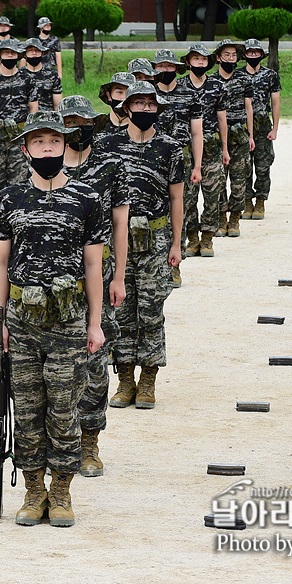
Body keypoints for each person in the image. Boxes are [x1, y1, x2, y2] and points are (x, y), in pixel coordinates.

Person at [0, 110, 106, 527]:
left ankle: (61, 492)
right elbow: (0, 263)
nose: (47, 149)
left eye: (54, 142)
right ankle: (34, 490)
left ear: (65, 145)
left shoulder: (87, 198)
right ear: (25, 149)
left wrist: (95, 322)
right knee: (26, 409)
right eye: (39, 142)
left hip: (68, 320)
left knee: (63, 407)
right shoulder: (9, 199)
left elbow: (94, 267)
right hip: (21, 321)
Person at [95, 83, 183, 412]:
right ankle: (125, 379)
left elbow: (177, 198)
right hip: (119, 240)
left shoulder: (170, 147)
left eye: (150, 104)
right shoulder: (107, 144)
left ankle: (148, 379)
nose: (144, 109)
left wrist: (176, 243)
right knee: (120, 311)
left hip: (156, 238)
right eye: (138, 103)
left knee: (151, 310)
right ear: (126, 106)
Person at [59, 95, 128, 476]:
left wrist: (118, 275)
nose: (78, 130)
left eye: (84, 123)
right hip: (56, 280)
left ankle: (89, 443)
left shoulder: (109, 167)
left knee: (95, 363)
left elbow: (120, 224)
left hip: (99, 278)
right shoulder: (45, 166)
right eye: (70, 123)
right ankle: (61, 441)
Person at [152, 49, 202, 287]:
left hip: (182, 159)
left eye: (169, 66)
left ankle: (175, 265)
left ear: (176, 68)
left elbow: (196, 132)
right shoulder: (147, 96)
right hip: (153, 160)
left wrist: (198, 165)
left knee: (178, 212)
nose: (165, 71)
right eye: (160, 67)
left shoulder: (189, 95)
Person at [179, 44, 228, 258]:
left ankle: (207, 238)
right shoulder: (180, 87)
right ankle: (193, 238)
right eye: (196, 58)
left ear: (209, 62)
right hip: (187, 149)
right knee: (188, 196)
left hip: (212, 147)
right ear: (188, 62)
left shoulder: (217, 86)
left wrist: (225, 148)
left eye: (204, 59)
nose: (200, 62)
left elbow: (222, 119)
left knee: (212, 194)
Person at [0, 39, 39, 195]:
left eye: (13, 53)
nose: (9, 56)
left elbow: (34, 109)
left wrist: (33, 135)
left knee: (19, 181)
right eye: (6, 52)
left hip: (19, 137)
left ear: (18, 55)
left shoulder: (28, 79)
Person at [212, 39, 254, 239]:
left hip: (240, 135)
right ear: (219, 57)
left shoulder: (244, 79)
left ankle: (235, 219)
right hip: (218, 136)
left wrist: (251, 135)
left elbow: (249, 108)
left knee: (239, 180)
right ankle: (220, 219)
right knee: (218, 180)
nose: (231, 58)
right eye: (227, 54)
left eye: (234, 55)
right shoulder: (211, 82)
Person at [241, 39, 281, 221]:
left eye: (256, 53)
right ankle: (247, 200)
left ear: (261, 55)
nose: (253, 56)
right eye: (250, 53)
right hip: (242, 126)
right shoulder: (238, 76)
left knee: (263, 166)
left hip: (263, 126)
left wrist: (275, 128)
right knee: (244, 166)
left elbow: (276, 102)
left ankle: (261, 201)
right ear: (245, 55)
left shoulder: (270, 75)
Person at [22, 38, 63, 110]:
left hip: (47, 117)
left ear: (42, 53)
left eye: (37, 50)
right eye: (30, 50)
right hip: (25, 118)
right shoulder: (19, 75)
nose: (34, 53)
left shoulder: (52, 75)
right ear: (25, 54)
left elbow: (57, 104)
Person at [94, 72, 134, 136]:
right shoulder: (98, 127)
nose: (124, 97)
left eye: (129, 93)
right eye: (120, 92)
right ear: (109, 95)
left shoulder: (143, 128)